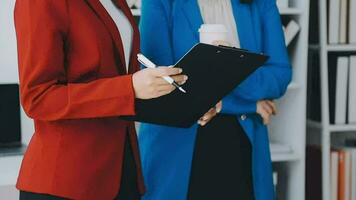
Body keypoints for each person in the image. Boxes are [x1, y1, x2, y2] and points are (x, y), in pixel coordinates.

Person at [14, 0, 187, 199]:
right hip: (67, 182)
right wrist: (128, 88)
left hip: (123, 171)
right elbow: (38, 98)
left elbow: (123, 85)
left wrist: (191, 103)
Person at [138, 0, 292, 199]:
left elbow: (280, 76)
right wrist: (244, 103)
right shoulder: (160, 2)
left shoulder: (261, 4)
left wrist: (229, 62)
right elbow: (160, 83)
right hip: (175, 146)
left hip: (240, 142)